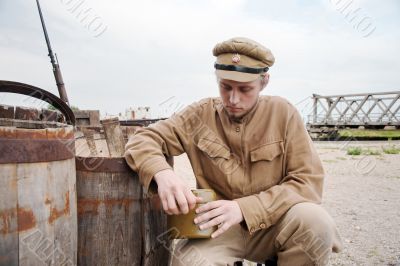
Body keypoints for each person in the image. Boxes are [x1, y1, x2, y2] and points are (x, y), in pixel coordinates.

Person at [124, 37, 342, 266]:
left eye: (245, 89)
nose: (233, 99)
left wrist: (243, 208)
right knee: (189, 263)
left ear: (264, 81)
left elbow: (308, 182)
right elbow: (143, 139)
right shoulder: (198, 115)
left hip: (275, 222)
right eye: (225, 87)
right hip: (217, 229)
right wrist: (162, 173)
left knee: (316, 222)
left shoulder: (284, 114)